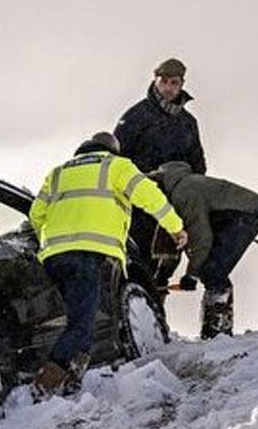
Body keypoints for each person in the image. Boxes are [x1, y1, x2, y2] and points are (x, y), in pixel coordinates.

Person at [28, 131, 187, 397]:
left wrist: (52, 242)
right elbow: (150, 196)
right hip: (87, 254)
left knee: (84, 318)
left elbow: (36, 215)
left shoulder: (57, 173)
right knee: (81, 323)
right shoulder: (116, 165)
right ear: (112, 150)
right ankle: (44, 385)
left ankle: (72, 379)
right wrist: (176, 228)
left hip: (54, 257)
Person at [115, 57, 207, 286]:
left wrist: (191, 197)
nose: (168, 87)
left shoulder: (188, 123)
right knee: (138, 262)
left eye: (174, 82)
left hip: (173, 204)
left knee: (166, 264)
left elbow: (198, 163)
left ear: (182, 84)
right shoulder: (136, 117)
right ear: (155, 81)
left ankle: (156, 311)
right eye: (164, 81)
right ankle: (138, 311)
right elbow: (116, 160)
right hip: (140, 204)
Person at [149, 161, 258, 339]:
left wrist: (191, 275)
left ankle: (217, 329)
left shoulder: (184, 193)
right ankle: (216, 328)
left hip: (246, 215)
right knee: (210, 268)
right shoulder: (180, 189)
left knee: (212, 270)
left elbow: (200, 237)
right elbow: (182, 238)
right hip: (235, 215)